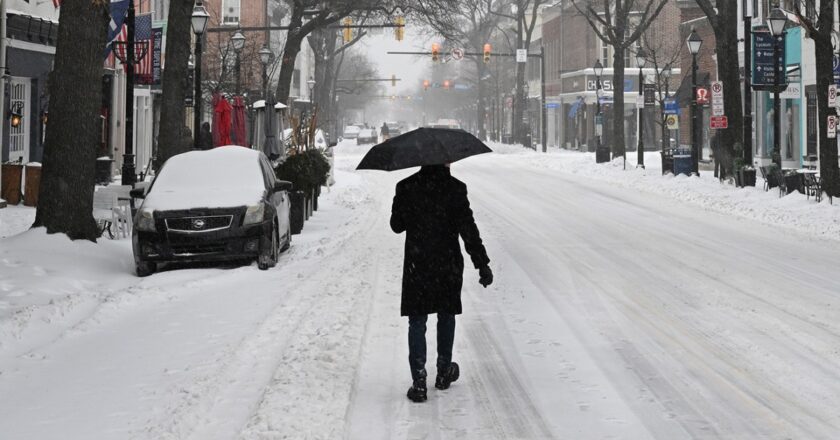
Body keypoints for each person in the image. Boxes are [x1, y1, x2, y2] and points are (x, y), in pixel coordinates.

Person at [390, 164, 493, 403]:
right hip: (447, 264)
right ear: (446, 161)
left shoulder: (406, 187)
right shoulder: (455, 189)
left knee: (417, 319)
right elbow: (469, 229)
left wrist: (401, 204)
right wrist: (482, 263)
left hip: (418, 263)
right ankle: (444, 371)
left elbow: (396, 226)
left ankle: (418, 381)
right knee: (446, 314)